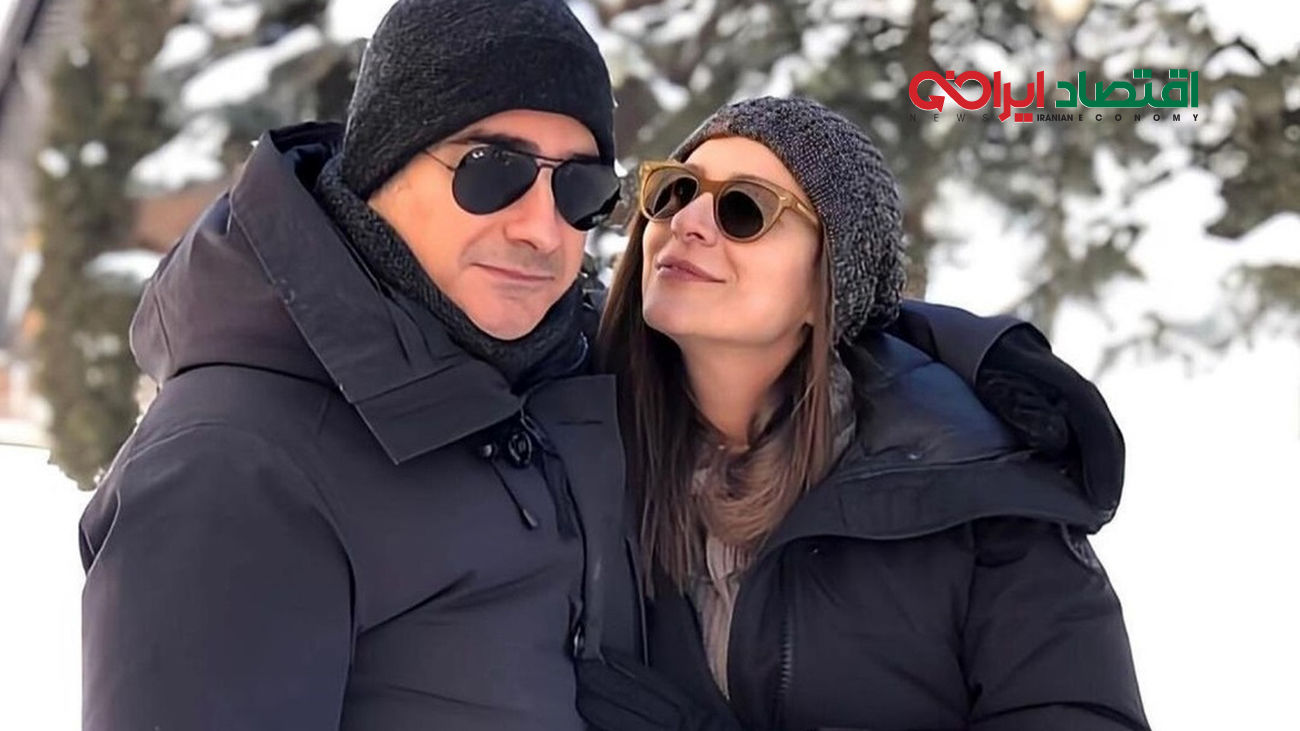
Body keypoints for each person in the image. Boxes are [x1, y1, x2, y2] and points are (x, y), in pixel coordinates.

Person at [77, 1, 643, 729]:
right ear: (381, 166)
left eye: (580, 189)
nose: (541, 229)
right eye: (491, 170)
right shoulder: (231, 470)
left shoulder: (546, 392)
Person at [581, 96, 1150, 731]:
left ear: (829, 283)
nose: (687, 220)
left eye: (744, 209)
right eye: (676, 190)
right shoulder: (576, 452)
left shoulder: (976, 491)